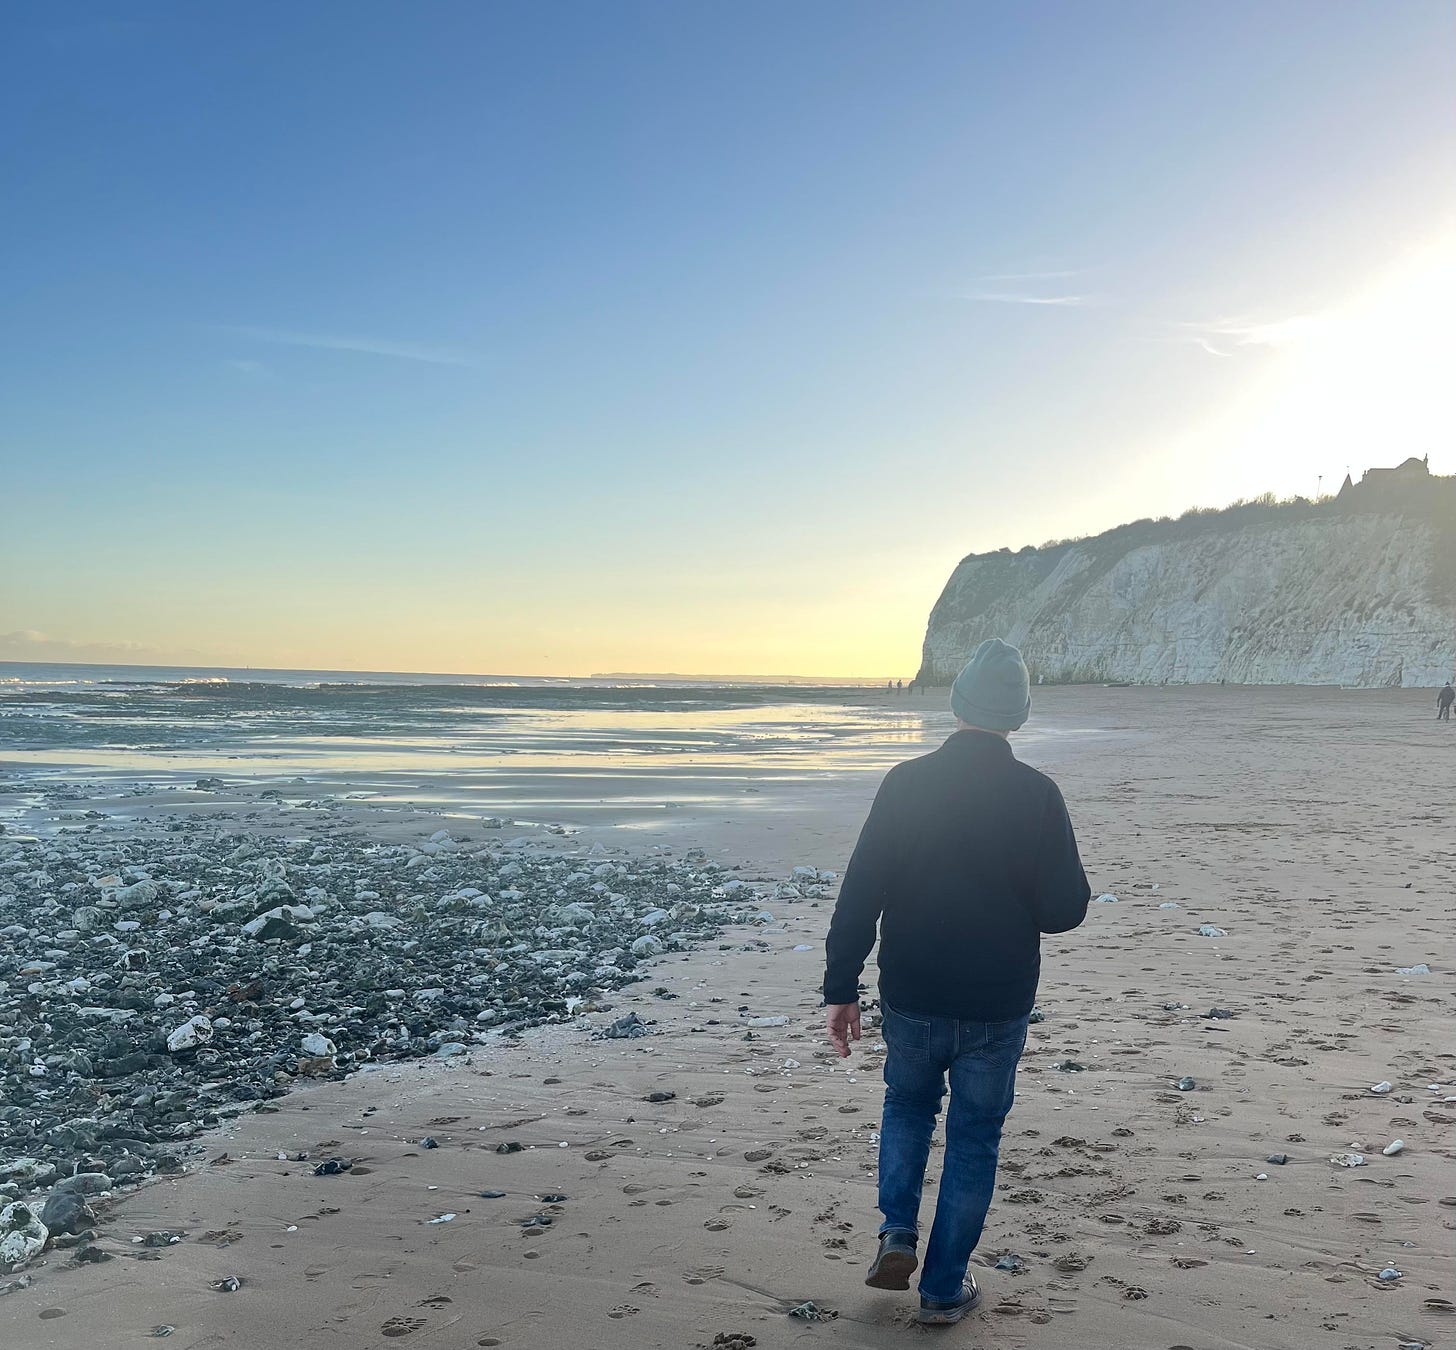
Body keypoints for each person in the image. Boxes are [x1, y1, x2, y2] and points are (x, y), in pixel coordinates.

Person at [822, 638, 1090, 1326]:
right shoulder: (1038, 795)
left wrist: (841, 987)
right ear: (1018, 717)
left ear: (958, 704)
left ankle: (897, 1232)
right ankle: (943, 1289)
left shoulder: (905, 783)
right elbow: (1065, 911)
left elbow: (860, 893)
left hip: (912, 992)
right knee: (975, 1137)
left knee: (908, 1108)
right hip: (997, 1004)